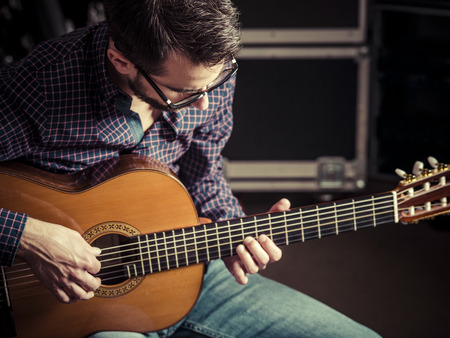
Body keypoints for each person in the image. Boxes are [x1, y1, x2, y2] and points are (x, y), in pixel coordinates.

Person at [0, 0, 380, 337]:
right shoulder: (42, 87)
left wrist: (234, 231)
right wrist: (28, 237)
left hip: (184, 263)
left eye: (215, 82)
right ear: (122, 61)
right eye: (183, 93)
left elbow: (203, 173)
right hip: (63, 305)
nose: (203, 105)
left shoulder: (209, 72)